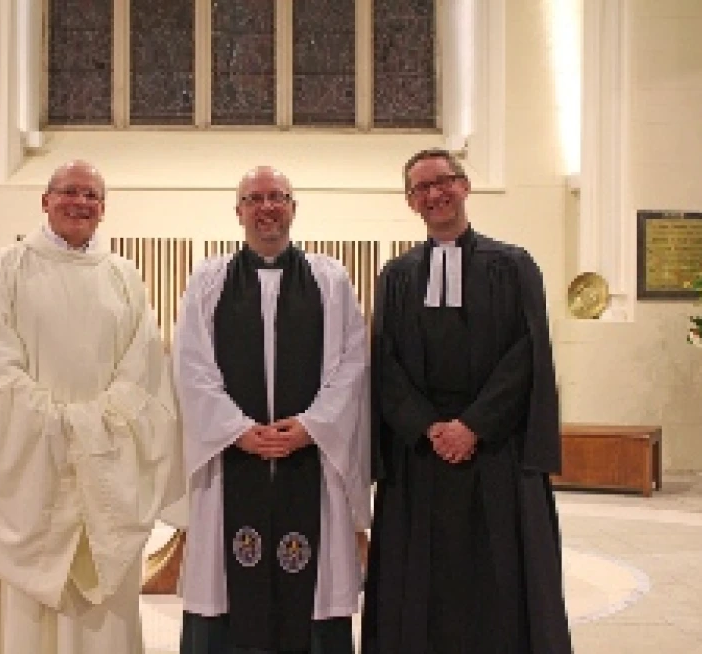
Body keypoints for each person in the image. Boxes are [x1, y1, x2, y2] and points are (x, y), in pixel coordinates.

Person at [0, 160, 183, 654]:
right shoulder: (6, 269)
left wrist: (96, 425)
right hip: (31, 459)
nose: (80, 202)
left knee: (99, 580)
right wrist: (57, 424)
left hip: (106, 455)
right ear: (44, 201)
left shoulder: (124, 277)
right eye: (69, 192)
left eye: (92, 196)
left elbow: (142, 367)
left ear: (103, 209)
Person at [362, 149, 574, 653]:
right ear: (411, 202)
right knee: (421, 584)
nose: (434, 194)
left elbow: (526, 354)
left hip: (494, 452)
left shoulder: (514, 265)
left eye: (443, 182)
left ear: (465, 186)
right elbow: (384, 363)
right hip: (422, 456)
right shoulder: (397, 276)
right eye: (421, 188)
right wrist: (428, 427)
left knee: (498, 580)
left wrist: (473, 426)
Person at [174, 166, 370, 654]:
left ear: (293, 208)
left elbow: (353, 362)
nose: (267, 207)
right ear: (238, 211)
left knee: (315, 587)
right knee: (224, 579)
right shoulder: (208, 280)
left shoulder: (331, 280)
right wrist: (235, 429)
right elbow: (189, 364)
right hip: (230, 462)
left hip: (311, 460)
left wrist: (311, 426)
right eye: (255, 198)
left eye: (278, 197)